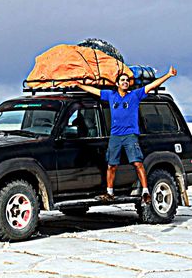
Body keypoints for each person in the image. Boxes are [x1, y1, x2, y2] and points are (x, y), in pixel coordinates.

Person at [74, 67, 177, 204]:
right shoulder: (111, 95)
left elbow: (152, 85)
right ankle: (109, 192)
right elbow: (95, 91)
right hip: (115, 135)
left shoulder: (134, 95)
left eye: (127, 80)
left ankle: (145, 191)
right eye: (122, 80)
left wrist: (168, 75)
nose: (125, 82)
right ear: (117, 84)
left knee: (137, 163)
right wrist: (79, 85)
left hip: (130, 135)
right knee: (111, 165)